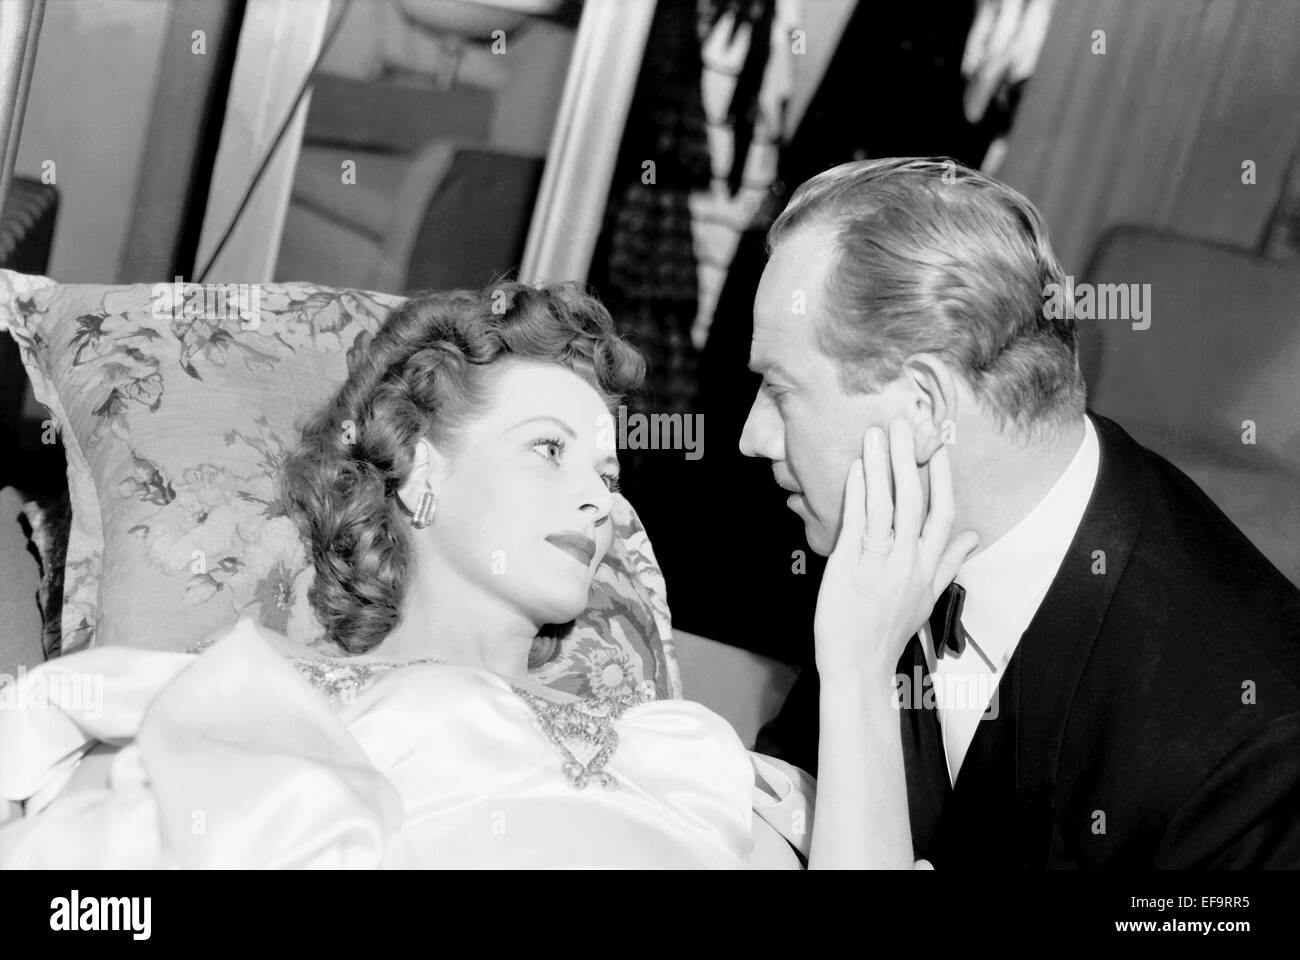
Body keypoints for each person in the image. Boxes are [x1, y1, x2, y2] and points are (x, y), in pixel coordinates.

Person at [0, 282, 957, 869]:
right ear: (420, 465)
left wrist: (861, 659)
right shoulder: (278, 700)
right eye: (549, 450)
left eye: (609, 474)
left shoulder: (687, 746)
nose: (599, 504)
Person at [744, 157, 1300, 868]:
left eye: (780, 391)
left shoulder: (1254, 752)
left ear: (923, 407)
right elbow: (803, 781)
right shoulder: (883, 527)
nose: (750, 437)